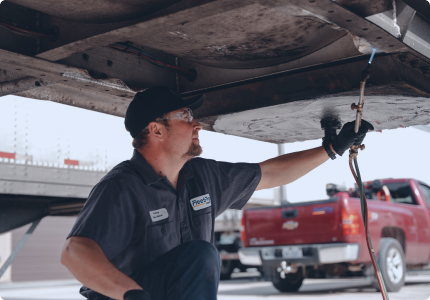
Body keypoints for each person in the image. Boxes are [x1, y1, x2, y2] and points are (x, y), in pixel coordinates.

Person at [61, 86, 373, 300]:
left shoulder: (202, 177)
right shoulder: (123, 187)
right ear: (156, 130)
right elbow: (74, 252)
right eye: (184, 116)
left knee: (199, 256)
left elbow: (269, 173)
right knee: (201, 255)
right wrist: (133, 295)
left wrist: (332, 148)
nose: (196, 123)